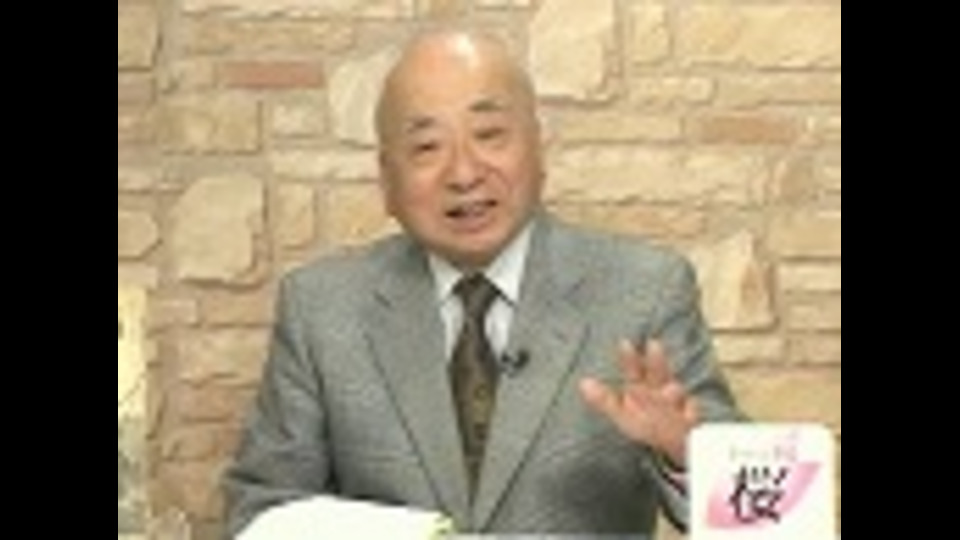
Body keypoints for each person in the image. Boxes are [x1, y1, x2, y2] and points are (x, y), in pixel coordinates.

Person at [222, 25, 746, 539]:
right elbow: (263, 511)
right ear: (386, 180)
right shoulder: (322, 309)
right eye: (427, 146)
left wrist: (685, 456)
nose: (464, 173)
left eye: (490, 135)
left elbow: (760, 514)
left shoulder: (644, 291)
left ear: (539, 148)